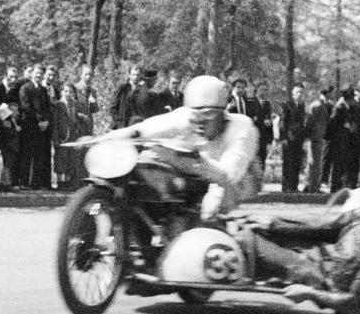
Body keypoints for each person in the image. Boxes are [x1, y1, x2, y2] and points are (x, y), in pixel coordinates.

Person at [237, 166, 360, 314]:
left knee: (249, 240)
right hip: (322, 269)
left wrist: (309, 293)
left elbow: (355, 304)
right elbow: (321, 229)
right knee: (259, 230)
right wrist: (273, 224)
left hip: (324, 284)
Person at [89, 74, 260, 220]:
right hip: (200, 168)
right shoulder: (185, 118)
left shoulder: (242, 130)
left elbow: (227, 175)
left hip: (236, 179)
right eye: (195, 115)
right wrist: (100, 139)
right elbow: (141, 130)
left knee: (209, 214)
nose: (199, 122)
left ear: (222, 112)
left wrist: (188, 161)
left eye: (208, 115)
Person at [18, 61, 53, 189]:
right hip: (29, 125)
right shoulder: (25, 88)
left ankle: (36, 182)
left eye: (41, 73)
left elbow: (48, 108)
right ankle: (24, 182)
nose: (39, 75)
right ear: (32, 73)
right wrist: (39, 120)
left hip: (42, 128)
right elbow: (26, 106)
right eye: (37, 73)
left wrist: (46, 121)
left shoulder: (43, 90)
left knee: (39, 156)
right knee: (27, 155)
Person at [278, 82, 308, 193]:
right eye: (298, 92)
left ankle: (294, 186)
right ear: (292, 93)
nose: (300, 94)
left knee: (297, 162)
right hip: (288, 138)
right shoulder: (286, 104)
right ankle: (286, 187)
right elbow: (282, 122)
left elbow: (302, 122)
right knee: (288, 163)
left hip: (298, 139)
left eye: (301, 92)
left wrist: (303, 137)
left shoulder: (302, 105)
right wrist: (283, 137)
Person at [0, 65, 23, 189]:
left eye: (15, 77)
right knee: (6, 155)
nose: (13, 79)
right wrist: (3, 120)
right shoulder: (0, 88)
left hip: (12, 128)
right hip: (2, 127)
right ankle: (4, 183)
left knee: (10, 156)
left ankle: (5, 182)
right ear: (6, 76)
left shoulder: (15, 89)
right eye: (11, 77)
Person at [304, 86, 331, 193]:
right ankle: (311, 187)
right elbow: (309, 122)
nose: (331, 95)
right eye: (329, 92)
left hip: (319, 137)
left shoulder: (324, 105)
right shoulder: (317, 105)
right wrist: (308, 138)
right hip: (313, 138)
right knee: (313, 164)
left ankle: (314, 186)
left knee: (317, 164)